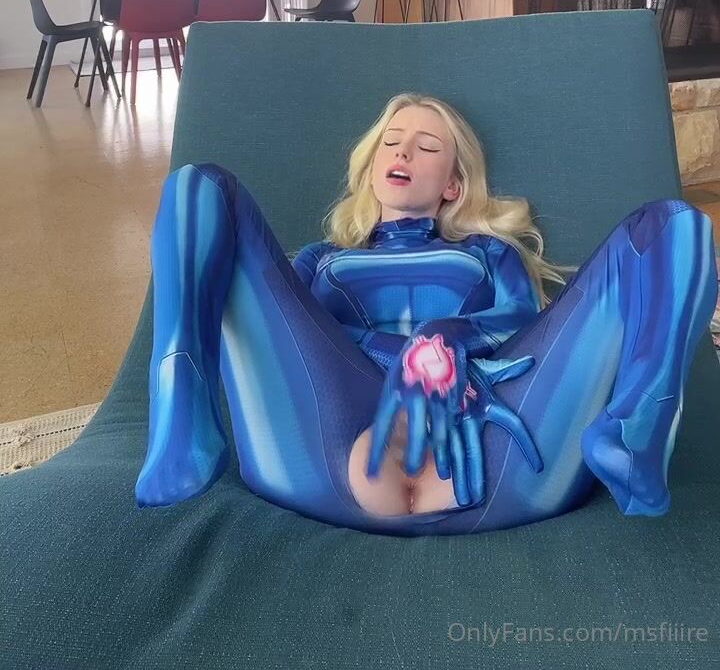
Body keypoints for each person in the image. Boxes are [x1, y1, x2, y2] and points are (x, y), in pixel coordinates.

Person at [135, 93, 718, 537]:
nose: (403, 152)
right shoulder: (320, 260)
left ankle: (640, 427)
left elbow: (521, 322)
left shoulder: (489, 254)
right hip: (329, 450)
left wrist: (450, 334)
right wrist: (397, 351)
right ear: (370, 169)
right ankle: (180, 419)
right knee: (201, 186)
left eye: (427, 147)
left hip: (499, 456)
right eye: (390, 142)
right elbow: (300, 347)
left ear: (454, 185)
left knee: (673, 224)